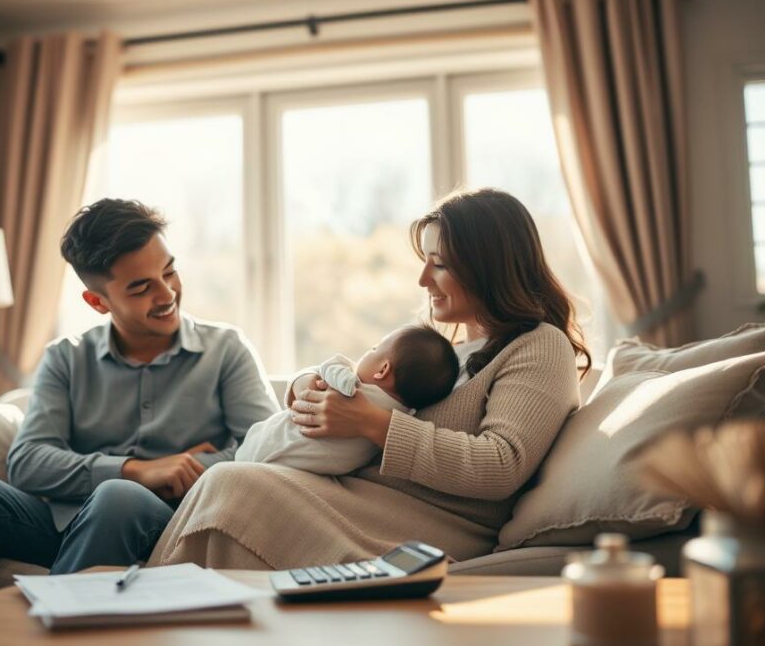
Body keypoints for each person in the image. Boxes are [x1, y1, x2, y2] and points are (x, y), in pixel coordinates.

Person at [149, 187, 591, 570]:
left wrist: (370, 423)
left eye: (439, 264)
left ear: (487, 267)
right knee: (216, 481)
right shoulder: (450, 352)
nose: (422, 279)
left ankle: (147, 619)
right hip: (355, 498)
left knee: (230, 484)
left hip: (418, 524)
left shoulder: (539, 345)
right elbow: (360, 374)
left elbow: (501, 464)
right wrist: (310, 387)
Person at [0, 199, 277, 615]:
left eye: (168, 271)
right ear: (98, 302)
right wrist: (134, 468)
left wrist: (183, 469)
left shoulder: (226, 351)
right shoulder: (66, 358)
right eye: (141, 286)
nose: (167, 293)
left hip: (167, 524)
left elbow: (267, 450)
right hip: (61, 522)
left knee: (119, 497)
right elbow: (27, 461)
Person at [236, 325, 458, 475]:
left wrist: (336, 371)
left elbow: (329, 368)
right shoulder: (400, 417)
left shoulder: (351, 387)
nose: (366, 352)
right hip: (294, 468)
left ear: (383, 370)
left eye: (374, 349)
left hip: (265, 450)